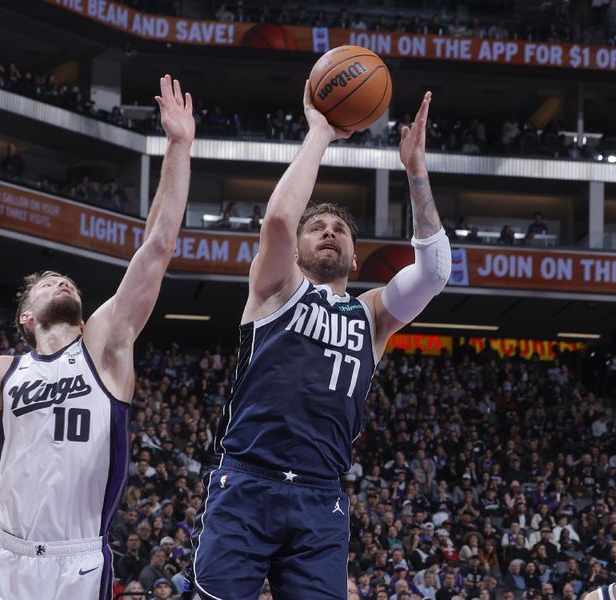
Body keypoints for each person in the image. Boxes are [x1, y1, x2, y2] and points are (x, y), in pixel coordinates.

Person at [0, 74, 194, 600]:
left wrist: (179, 146)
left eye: (67, 281)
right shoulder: (2, 371)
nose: (62, 280)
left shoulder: (104, 345)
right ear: (26, 317)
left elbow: (159, 246)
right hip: (3, 556)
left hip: (75, 561)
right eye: (48, 282)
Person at [190, 82, 451, 598]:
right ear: (298, 248)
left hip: (321, 495)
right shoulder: (274, 288)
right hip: (247, 479)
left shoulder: (372, 314)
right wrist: (320, 133)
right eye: (318, 228)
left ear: (356, 259)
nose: (328, 231)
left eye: (339, 229)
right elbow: (282, 218)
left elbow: (436, 271)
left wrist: (416, 171)